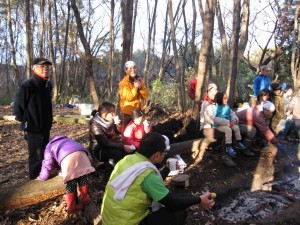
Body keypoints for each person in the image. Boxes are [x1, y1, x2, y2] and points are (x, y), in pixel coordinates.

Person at [101, 132, 215, 225]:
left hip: (110, 219)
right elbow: (172, 203)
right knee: (179, 212)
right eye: (164, 152)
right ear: (156, 155)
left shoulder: (127, 160)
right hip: (128, 222)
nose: (165, 154)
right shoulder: (147, 175)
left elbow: (148, 183)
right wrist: (199, 199)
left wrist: (167, 169)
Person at [13, 58, 53, 180]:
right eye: (42, 67)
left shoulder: (48, 85)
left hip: (45, 126)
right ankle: (34, 178)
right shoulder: (28, 85)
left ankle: (43, 175)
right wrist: (26, 120)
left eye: (47, 67)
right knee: (35, 154)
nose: (45, 69)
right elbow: (18, 106)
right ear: (34, 68)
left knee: (45, 151)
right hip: (32, 126)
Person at [37, 135, 95, 214]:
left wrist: (42, 177)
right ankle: (85, 197)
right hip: (83, 155)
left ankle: (72, 206)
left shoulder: (49, 146)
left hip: (68, 159)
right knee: (82, 175)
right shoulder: (69, 140)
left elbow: (47, 164)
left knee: (71, 181)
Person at [89, 102, 133, 185]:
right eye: (111, 113)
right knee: (117, 153)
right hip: (99, 151)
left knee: (127, 149)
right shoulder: (95, 125)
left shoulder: (110, 121)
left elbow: (117, 133)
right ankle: (106, 180)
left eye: (114, 112)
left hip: (109, 146)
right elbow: (105, 143)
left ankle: (122, 173)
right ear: (103, 114)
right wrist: (123, 146)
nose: (114, 115)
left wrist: (118, 126)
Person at [199, 83, 237, 167]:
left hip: (218, 126)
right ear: (207, 92)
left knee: (234, 128)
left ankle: (233, 149)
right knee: (225, 131)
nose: (213, 92)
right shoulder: (206, 104)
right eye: (211, 90)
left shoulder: (221, 102)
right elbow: (211, 119)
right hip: (207, 128)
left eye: (215, 90)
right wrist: (227, 123)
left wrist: (234, 120)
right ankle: (224, 156)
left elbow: (231, 113)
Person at [213, 92, 252, 158]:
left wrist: (234, 120)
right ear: (220, 99)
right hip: (219, 125)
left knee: (236, 127)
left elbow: (233, 114)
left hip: (229, 123)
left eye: (226, 98)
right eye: (224, 98)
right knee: (228, 130)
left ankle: (238, 141)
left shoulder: (227, 107)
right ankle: (228, 146)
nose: (226, 100)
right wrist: (227, 122)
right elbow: (215, 118)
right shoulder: (215, 108)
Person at [119, 61, 149, 127]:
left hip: (138, 111)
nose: (133, 70)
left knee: (139, 132)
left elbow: (145, 95)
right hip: (128, 113)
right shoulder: (123, 83)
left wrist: (140, 87)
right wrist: (135, 88)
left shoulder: (139, 80)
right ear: (126, 70)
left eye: (134, 68)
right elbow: (128, 98)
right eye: (130, 68)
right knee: (128, 132)